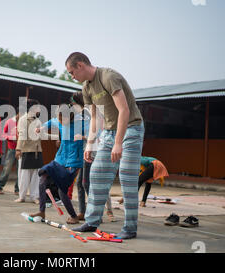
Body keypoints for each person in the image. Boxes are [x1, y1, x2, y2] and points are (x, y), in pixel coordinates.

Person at [66, 52, 145, 240]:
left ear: (80, 65)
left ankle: (130, 228)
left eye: (71, 72)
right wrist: (90, 144)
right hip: (108, 132)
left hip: (131, 129)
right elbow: (95, 117)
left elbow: (124, 110)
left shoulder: (108, 76)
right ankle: (92, 221)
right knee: (96, 174)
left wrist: (119, 143)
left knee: (127, 177)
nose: (72, 76)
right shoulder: (86, 88)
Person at [30, 103, 85, 224]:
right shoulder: (58, 121)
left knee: (62, 189)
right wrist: (41, 128)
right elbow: (51, 122)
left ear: (70, 116)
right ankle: (42, 211)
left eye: (63, 118)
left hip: (74, 161)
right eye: (59, 118)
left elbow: (95, 134)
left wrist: (83, 137)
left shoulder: (80, 124)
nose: (60, 121)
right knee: (43, 178)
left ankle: (74, 216)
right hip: (59, 159)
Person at [70, 92, 115, 222]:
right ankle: (83, 212)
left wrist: (83, 137)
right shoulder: (84, 114)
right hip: (87, 150)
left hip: (94, 151)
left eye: (73, 104)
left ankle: (96, 213)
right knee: (81, 183)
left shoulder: (91, 113)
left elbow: (98, 133)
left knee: (88, 183)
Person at [15, 99, 43, 204]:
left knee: (36, 174)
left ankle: (35, 196)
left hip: (37, 150)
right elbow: (21, 135)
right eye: (37, 107)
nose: (39, 109)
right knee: (24, 175)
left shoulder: (38, 121)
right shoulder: (23, 119)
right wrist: (18, 149)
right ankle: (21, 196)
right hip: (25, 150)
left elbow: (41, 136)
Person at [0, 109, 20, 195]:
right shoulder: (10, 121)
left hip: (21, 149)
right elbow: (3, 134)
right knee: (7, 168)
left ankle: (17, 189)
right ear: (18, 113)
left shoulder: (23, 122)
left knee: (19, 170)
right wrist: (11, 137)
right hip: (12, 149)